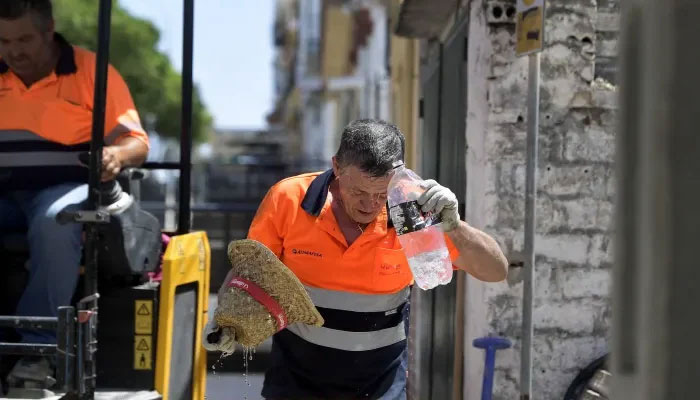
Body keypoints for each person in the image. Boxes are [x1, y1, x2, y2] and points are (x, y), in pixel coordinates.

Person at [247, 119, 508, 399]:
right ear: (337, 167)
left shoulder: (413, 211)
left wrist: (454, 227)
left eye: (382, 194)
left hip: (380, 387)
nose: (370, 204)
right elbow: (250, 273)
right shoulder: (289, 199)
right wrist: (230, 318)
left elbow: (496, 271)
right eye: (359, 192)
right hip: (295, 385)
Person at [0, 0, 149, 385]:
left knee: (57, 220)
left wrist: (116, 154)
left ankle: (38, 352)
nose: (14, 51)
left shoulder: (90, 72)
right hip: (5, 195)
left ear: (48, 30)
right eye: (3, 41)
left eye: (24, 39)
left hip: (63, 188)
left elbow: (136, 142)